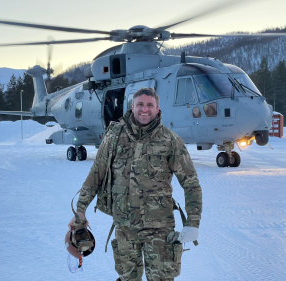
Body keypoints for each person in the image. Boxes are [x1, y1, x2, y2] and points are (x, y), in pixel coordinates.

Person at [68, 87, 202, 281]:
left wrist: (193, 222)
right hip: (124, 226)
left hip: (160, 229)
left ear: (157, 109)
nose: (144, 109)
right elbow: (96, 173)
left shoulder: (170, 141)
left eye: (150, 105)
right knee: (127, 278)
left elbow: (191, 182)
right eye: (140, 104)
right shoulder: (114, 137)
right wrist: (80, 209)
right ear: (132, 107)